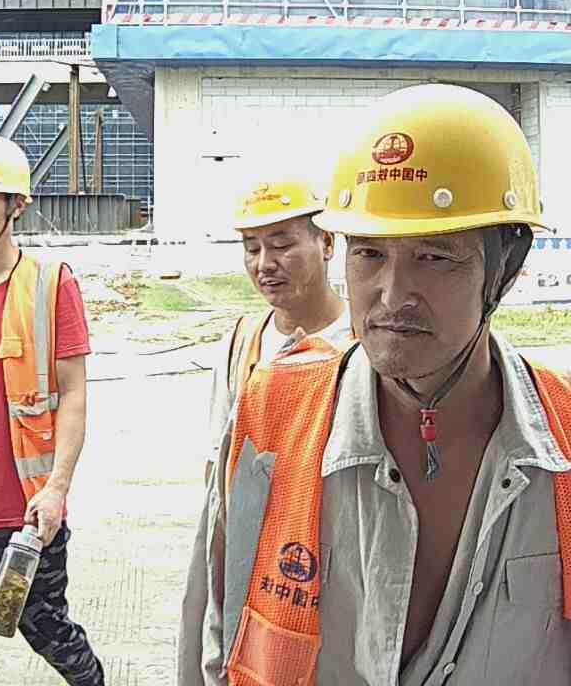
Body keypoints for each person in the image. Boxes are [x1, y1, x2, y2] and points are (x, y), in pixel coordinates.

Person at [177, 84, 571, 685]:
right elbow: (214, 627)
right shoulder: (272, 413)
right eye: (369, 255)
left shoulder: (563, 438)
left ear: (505, 270)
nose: (391, 295)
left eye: (434, 257)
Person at [0, 135, 104, 685]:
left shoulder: (50, 284)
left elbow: (73, 394)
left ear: (16, 206)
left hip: (25, 514)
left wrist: (56, 490)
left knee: (50, 632)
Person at [206, 178, 351, 480]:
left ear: (326, 243)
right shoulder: (241, 347)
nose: (264, 264)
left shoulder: (363, 342)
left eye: (281, 246)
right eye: (251, 248)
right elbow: (219, 460)